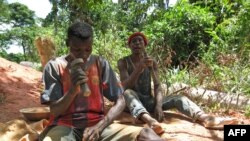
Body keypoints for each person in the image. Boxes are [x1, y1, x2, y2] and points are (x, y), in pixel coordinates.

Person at [39, 22, 164, 141]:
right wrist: (72, 91)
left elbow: (121, 100)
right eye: (77, 50)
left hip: (98, 124)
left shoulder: (100, 63)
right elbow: (54, 110)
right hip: (64, 124)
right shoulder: (54, 66)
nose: (83, 55)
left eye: (88, 49)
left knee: (145, 134)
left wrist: (101, 125)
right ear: (68, 44)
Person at [117, 32, 238, 130]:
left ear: (145, 45)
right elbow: (125, 86)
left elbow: (158, 85)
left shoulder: (151, 62)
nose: (137, 43)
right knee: (127, 92)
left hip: (149, 102)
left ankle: (205, 118)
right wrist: (139, 69)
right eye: (134, 41)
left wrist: (158, 106)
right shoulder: (123, 62)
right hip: (131, 103)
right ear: (129, 46)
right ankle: (149, 120)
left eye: (140, 41)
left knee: (179, 98)